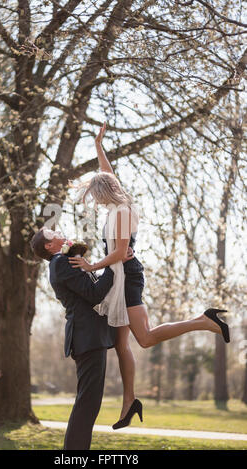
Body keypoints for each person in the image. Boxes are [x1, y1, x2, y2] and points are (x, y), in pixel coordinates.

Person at [68, 121, 230, 430]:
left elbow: (120, 252)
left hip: (126, 275)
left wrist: (91, 266)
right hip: (118, 276)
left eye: (97, 196)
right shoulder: (120, 203)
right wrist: (99, 146)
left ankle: (205, 320)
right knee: (120, 343)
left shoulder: (122, 212)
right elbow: (109, 174)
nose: (97, 202)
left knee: (145, 338)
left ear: (105, 193)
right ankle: (129, 402)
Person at [29, 229, 132, 450]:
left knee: (89, 402)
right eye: (52, 232)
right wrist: (115, 264)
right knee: (88, 403)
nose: (58, 231)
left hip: (90, 337)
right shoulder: (59, 262)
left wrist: (111, 263)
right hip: (87, 337)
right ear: (48, 245)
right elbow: (94, 293)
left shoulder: (66, 261)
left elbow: (91, 289)